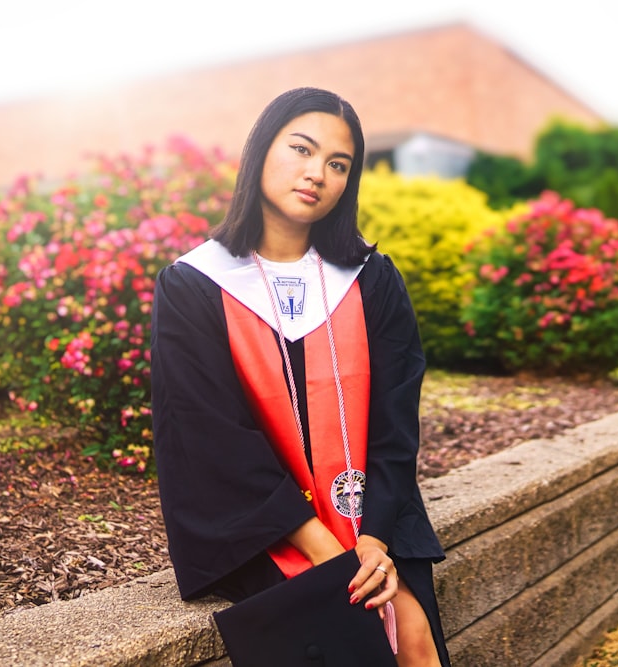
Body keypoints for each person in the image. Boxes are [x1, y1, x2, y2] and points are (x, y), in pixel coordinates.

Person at [151, 87, 450, 667]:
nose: (318, 173)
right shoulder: (194, 284)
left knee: (413, 634)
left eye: (338, 164)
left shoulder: (371, 277)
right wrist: (325, 550)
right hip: (256, 525)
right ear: (261, 150)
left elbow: (395, 422)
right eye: (302, 149)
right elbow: (211, 436)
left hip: (373, 513)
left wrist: (373, 540)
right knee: (341, 622)